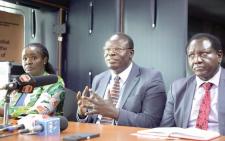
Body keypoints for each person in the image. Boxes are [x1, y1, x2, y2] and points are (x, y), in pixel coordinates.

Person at [76, 33, 166, 128]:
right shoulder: (99, 79)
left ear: (131, 53)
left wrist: (115, 113)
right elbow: (93, 120)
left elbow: (152, 122)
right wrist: (83, 113)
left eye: (118, 49)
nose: (111, 53)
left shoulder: (151, 78)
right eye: (107, 49)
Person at [160, 33, 225, 135]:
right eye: (191, 55)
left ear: (219, 56)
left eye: (204, 54)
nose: (197, 60)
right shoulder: (177, 87)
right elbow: (166, 129)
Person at [0, 43, 65, 118]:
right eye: (25, 59)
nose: (28, 62)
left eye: (34, 58)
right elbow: (2, 104)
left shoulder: (55, 82)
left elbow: (39, 112)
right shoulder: (20, 81)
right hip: (11, 126)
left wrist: (4, 111)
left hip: (41, 127)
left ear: (44, 60)